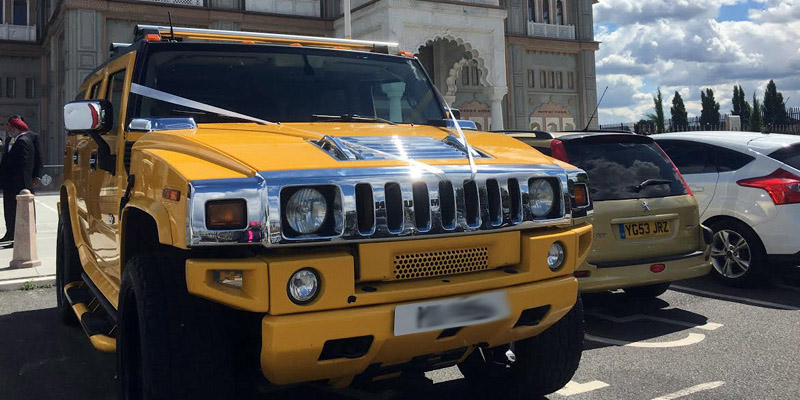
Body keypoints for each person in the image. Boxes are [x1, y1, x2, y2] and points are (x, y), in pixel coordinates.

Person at [0, 116, 37, 243]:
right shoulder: (14, 140)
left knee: (19, 212)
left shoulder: (23, 141)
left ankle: (21, 238)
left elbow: (22, 163)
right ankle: (11, 234)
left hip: (18, 184)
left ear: (17, 128)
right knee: (10, 210)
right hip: (10, 184)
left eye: (10, 126)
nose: (8, 129)